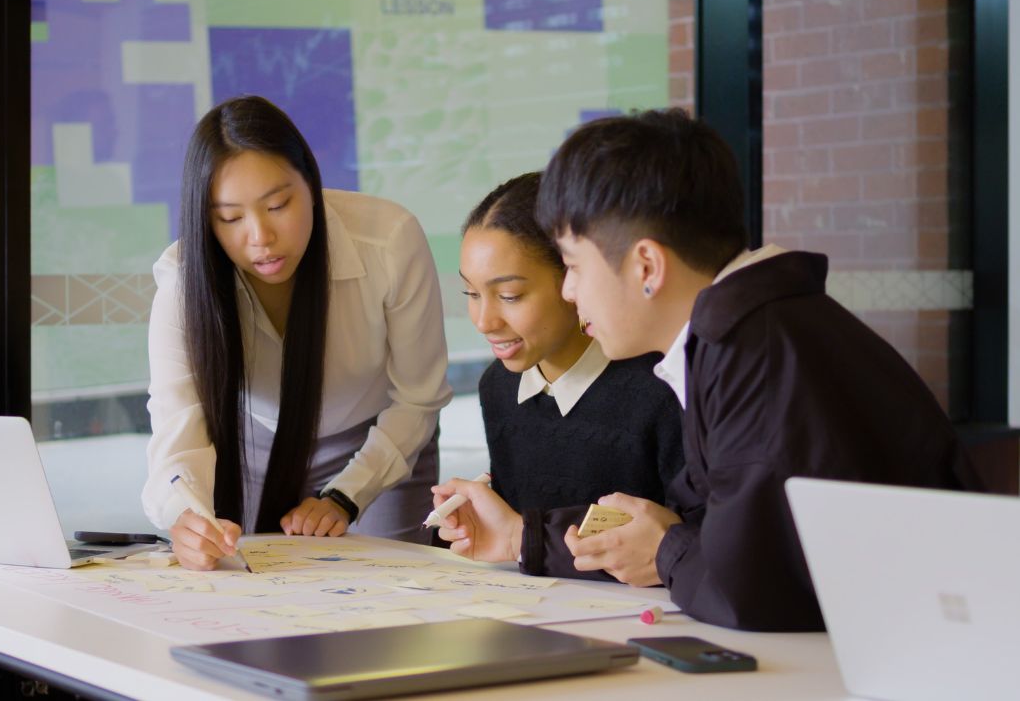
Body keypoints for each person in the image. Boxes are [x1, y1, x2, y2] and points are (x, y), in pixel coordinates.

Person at [433, 109, 976, 631]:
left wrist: (667, 549)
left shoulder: (757, 355)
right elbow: (694, 525)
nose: (572, 292)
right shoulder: (737, 338)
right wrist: (522, 539)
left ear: (647, 265)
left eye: (574, 267)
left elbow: (746, 586)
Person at [142, 96, 452, 570]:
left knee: (395, 586)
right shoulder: (185, 280)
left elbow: (418, 398)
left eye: (278, 204)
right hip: (254, 445)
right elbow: (177, 424)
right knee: (243, 582)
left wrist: (346, 497)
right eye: (230, 218)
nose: (260, 236)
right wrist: (187, 515)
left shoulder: (389, 240)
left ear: (311, 182)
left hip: (381, 437)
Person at [437, 172, 684, 579]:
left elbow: (688, 549)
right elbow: (521, 538)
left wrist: (523, 539)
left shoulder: (659, 386)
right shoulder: (498, 386)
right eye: (472, 294)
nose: (484, 321)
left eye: (510, 296)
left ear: (573, 278)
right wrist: (475, 524)